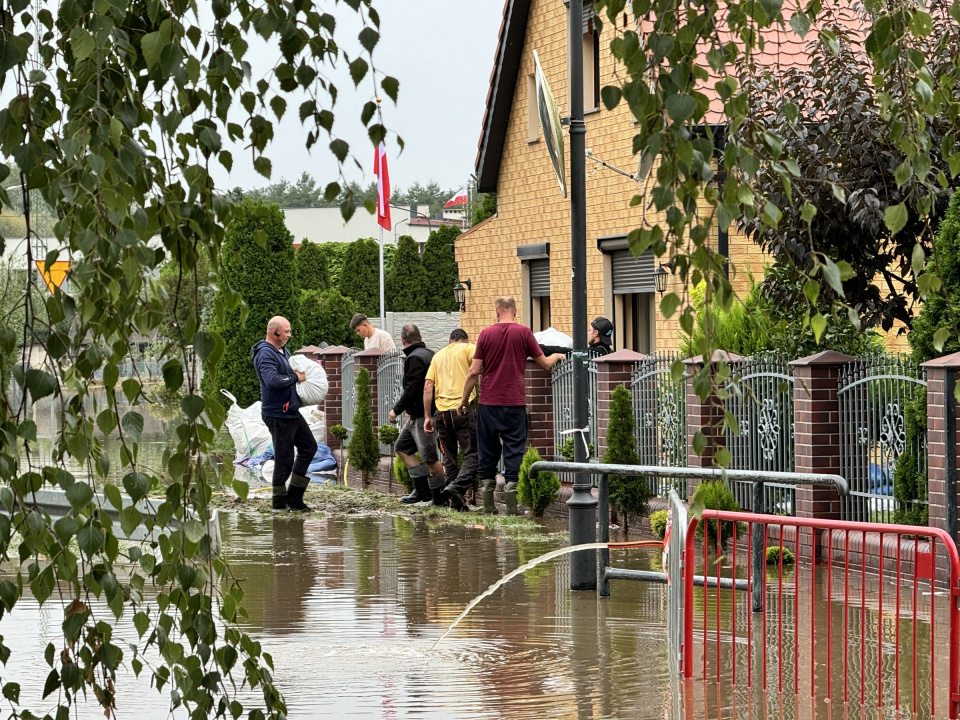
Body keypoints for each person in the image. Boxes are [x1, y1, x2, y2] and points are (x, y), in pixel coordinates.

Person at [459, 297, 564, 515]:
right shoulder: (524, 333)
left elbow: (474, 371)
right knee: (514, 450)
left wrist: (463, 400)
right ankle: (512, 507)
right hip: (514, 403)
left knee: (487, 451)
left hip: (488, 403)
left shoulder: (485, 334)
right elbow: (543, 364)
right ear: (515, 312)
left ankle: (488, 505)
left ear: (496, 312)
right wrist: (557, 355)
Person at [251, 316, 317, 511]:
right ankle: (279, 504)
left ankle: (295, 498)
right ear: (274, 332)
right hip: (277, 413)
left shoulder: (283, 351)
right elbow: (272, 380)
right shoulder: (265, 354)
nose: (289, 335)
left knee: (309, 447)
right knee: (284, 459)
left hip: (291, 411)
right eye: (286, 331)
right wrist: (296, 376)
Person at [389, 324, 445, 504]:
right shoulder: (431, 354)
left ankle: (439, 497)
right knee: (402, 447)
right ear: (420, 337)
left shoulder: (414, 359)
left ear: (403, 341)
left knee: (430, 457)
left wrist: (396, 410)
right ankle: (422, 491)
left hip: (424, 415)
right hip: (418, 416)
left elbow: (413, 388)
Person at [423, 328, 478, 511]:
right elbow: (479, 369)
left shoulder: (438, 356)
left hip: (442, 414)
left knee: (449, 458)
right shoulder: (469, 348)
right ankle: (457, 488)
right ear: (465, 339)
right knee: (473, 454)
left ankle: (456, 503)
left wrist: (427, 416)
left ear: (450, 341)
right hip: (462, 410)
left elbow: (428, 386)